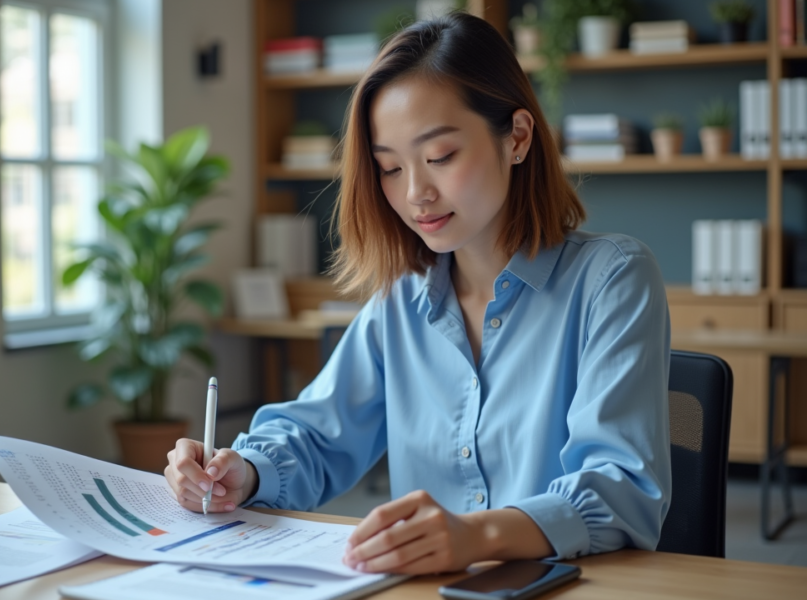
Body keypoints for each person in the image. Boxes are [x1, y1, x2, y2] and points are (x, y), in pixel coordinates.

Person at [165, 12, 671, 576]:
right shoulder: (400, 301)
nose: (416, 194)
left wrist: (475, 536)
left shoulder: (612, 278)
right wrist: (244, 471)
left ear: (518, 138)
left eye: (440, 157)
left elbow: (619, 489)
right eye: (389, 168)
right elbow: (316, 435)